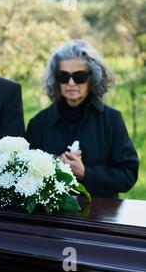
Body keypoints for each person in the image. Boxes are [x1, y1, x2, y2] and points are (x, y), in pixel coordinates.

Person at [26, 39, 139, 198]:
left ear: (92, 78)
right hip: (50, 216)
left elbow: (128, 175)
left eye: (79, 76)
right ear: (55, 79)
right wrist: (53, 166)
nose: (71, 83)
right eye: (63, 76)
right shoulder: (39, 123)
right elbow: (26, 176)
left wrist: (86, 173)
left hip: (100, 217)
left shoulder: (111, 120)